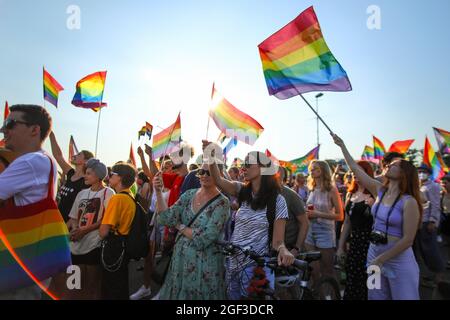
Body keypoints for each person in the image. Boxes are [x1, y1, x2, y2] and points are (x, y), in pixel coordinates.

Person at [333, 133, 422, 300]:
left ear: (404, 173)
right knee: (375, 296)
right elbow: (355, 168)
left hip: (398, 260)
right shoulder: (379, 189)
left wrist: (381, 259)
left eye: (394, 165)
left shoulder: (409, 202)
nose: (388, 165)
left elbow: (408, 240)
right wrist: (342, 145)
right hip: (373, 254)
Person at [203, 141, 295, 300]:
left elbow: (278, 241)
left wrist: (283, 249)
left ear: (262, 168)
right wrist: (211, 157)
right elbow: (218, 180)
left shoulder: (278, 201)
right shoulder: (242, 191)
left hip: (257, 267)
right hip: (233, 263)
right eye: (242, 164)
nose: (242, 168)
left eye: (247, 163)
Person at [0, 104, 71, 300]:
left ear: (34, 130)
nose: (4, 129)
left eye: (10, 123)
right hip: (26, 262)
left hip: (17, 267)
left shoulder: (31, 161)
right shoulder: (42, 159)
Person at [153, 162, 230, 299]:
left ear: (219, 175)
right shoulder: (189, 194)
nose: (204, 175)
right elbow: (166, 218)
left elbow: (203, 239)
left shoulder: (222, 203)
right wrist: (158, 191)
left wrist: (179, 226)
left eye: (210, 172)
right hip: (180, 262)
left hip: (204, 267)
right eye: (202, 171)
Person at [64, 158, 114, 299]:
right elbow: (74, 218)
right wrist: (74, 230)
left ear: (98, 176)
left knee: (92, 286)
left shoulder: (108, 193)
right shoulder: (81, 193)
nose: (85, 176)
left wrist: (84, 231)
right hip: (75, 246)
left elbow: (106, 219)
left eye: (89, 173)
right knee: (73, 285)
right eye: (85, 173)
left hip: (93, 246)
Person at [337, 161, 375, 300]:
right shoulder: (350, 194)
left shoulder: (375, 194)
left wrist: (373, 206)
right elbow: (347, 222)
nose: (355, 174)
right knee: (353, 278)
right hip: (355, 244)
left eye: (359, 171)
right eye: (354, 171)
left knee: (371, 282)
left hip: (371, 244)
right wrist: (341, 246)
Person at [99, 162, 137, 300]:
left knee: (110, 287)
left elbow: (103, 231)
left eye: (112, 174)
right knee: (120, 286)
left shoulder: (117, 198)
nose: (109, 177)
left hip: (113, 246)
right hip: (124, 245)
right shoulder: (130, 197)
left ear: (120, 178)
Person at [304, 160, 344, 282]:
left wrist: (318, 214)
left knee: (327, 271)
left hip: (325, 232)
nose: (312, 170)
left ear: (323, 170)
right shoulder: (311, 188)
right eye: (311, 168)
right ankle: (318, 294)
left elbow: (340, 216)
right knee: (313, 270)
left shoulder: (331, 189)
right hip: (310, 231)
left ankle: (331, 294)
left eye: (315, 168)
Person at [49, 131, 94, 222]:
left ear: (86, 161)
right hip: (57, 220)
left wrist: (69, 227)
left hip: (69, 227)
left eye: (79, 154)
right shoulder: (70, 173)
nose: (74, 156)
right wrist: (50, 134)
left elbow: (81, 210)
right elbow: (58, 156)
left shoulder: (86, 182)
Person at [415, 164, 445, 287]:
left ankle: (439, 276)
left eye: (424, 171)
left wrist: (433, 221)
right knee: (421, 251)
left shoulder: (433, 186)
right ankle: (429, 275)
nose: (421, 173)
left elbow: (435, 204)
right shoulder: (418, 186)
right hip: (418, 223)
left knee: (431, 250)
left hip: (428, 223)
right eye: (419, 171)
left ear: (428, 173)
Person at [278, 167, 309, 255]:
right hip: (268, 249)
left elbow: (304, 223)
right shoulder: (263, 195)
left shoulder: (290, 195)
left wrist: (297, 248)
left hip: (288, 249)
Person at [440, 174, 450, 270]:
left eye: (445, 183)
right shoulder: (441, 194)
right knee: (446, 241)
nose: (443, 185)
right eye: (442, 183)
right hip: (445, 220)